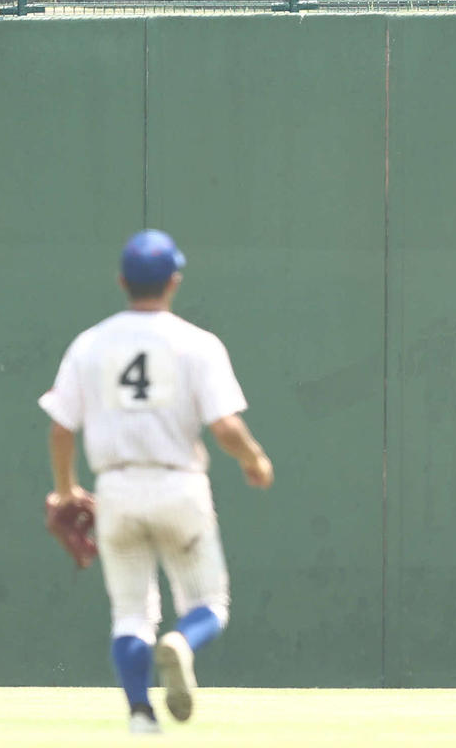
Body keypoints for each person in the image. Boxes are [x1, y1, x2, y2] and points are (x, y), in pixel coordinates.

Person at [39, 229, 274, 734]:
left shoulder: (91, 343)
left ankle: (141, 716)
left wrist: (65, 489)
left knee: (130, 614)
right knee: (209, 604)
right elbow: (226, 427)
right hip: (179, 487)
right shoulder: (196, 343)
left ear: (122, 281)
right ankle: (183, 643)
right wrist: (253, 459)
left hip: (117, 490)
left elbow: (61, 429)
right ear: (174, 281)